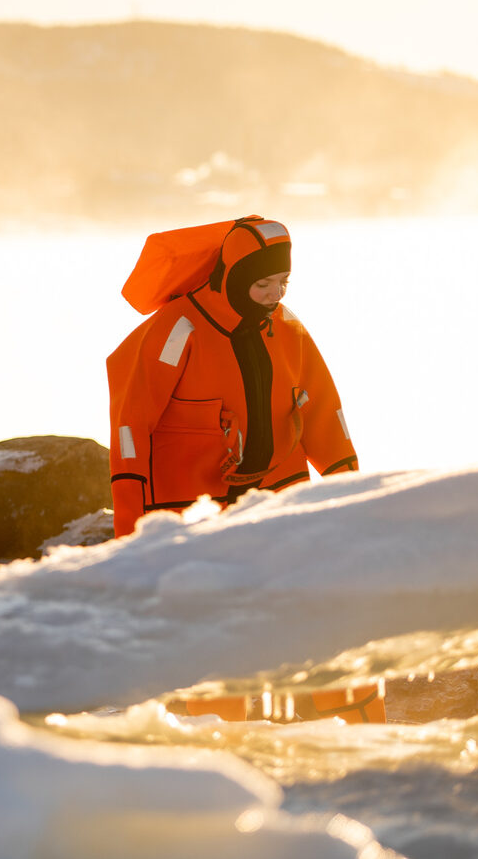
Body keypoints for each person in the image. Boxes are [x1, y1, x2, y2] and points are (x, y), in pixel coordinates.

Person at [107, 215, 380, 722]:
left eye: (283, 282)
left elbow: (321, 410)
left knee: (319, 613)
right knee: (213, 631)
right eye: (262, 283)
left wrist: (348, 492)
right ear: (232, 276)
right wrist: (134, 530)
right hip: (193, 511)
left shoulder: (289, 328)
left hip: (278, 497)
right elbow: (130, 428)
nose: (274, 294)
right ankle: (219, 747)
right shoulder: (176, 331)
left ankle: (348, 738)